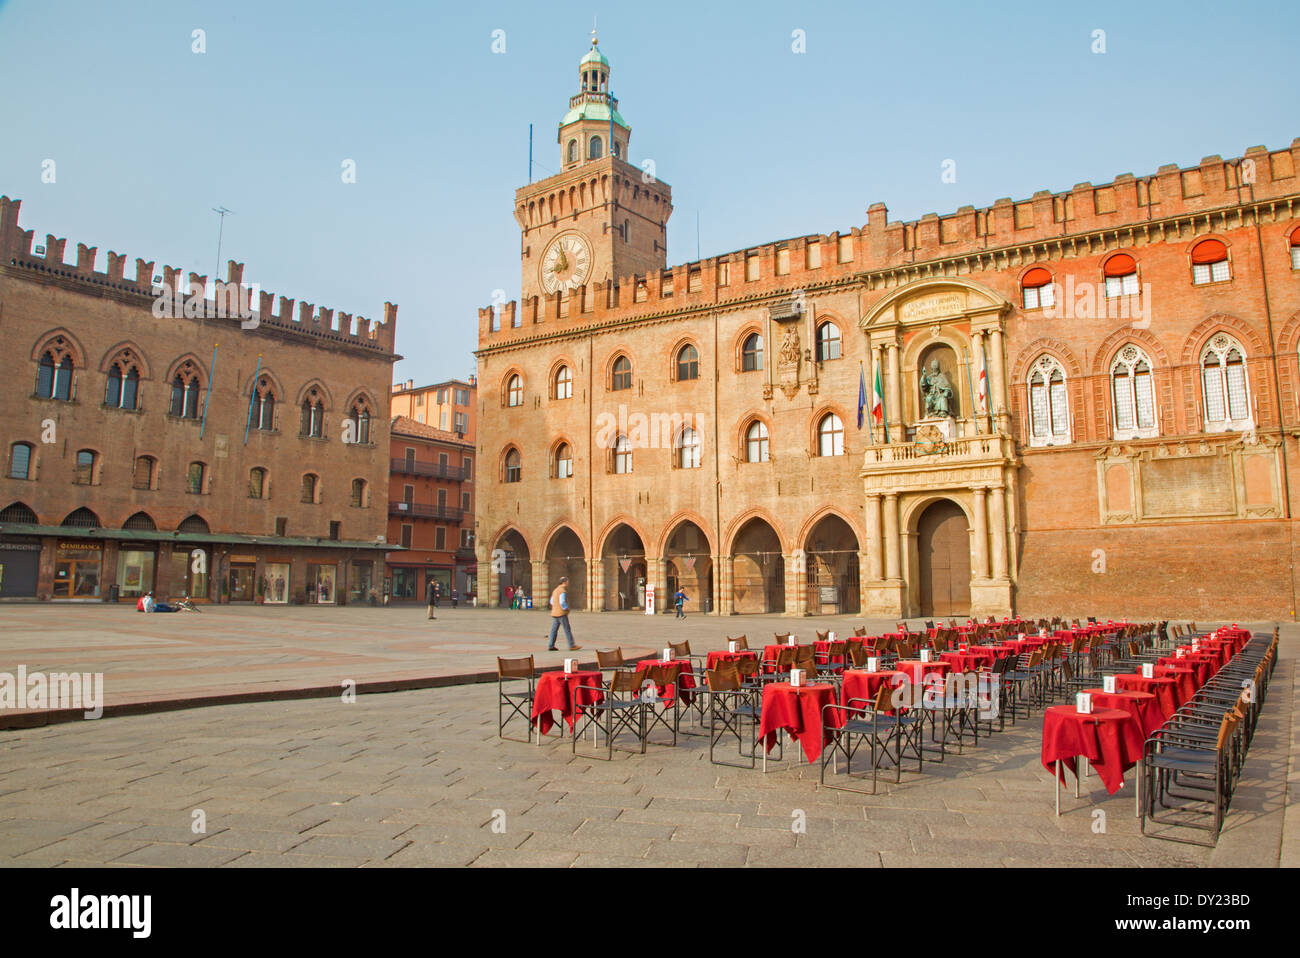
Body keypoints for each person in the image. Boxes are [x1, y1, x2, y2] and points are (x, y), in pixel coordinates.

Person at [546, 576, 580, 651]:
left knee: (554, 630)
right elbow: (562, 602)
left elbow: (551, 601)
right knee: (567, 629)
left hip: (555, 613)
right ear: (564, 582)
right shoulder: (562, 591)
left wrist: (556, 607)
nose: (568, 583)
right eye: (567, 582)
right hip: (561, 613)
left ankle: (551, 645)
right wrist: (566, 608)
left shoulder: (555, 590)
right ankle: (572, 645)